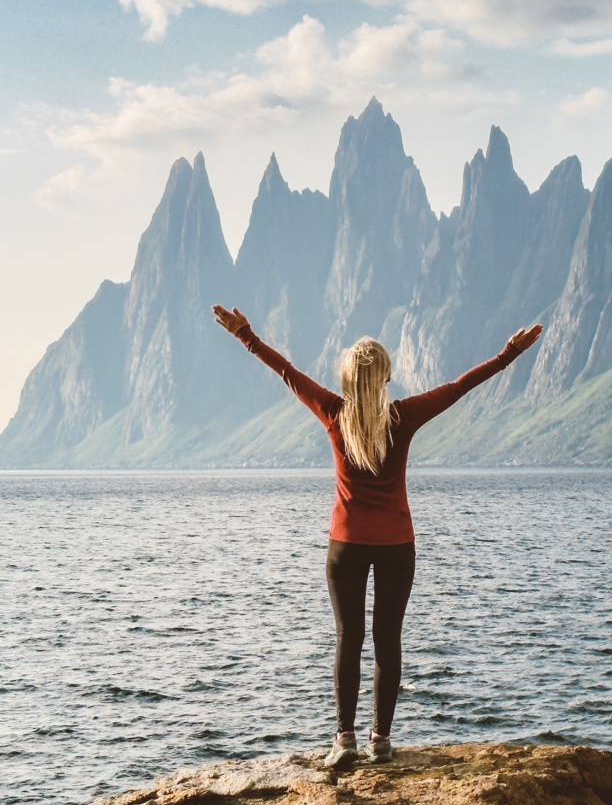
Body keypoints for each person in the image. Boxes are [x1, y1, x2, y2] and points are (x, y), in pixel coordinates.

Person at [212, 303, 543, 769]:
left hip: (345, 545)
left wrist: (245, 334)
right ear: (385, 378)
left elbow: (286, 372)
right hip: (395, 546)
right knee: (388, 641)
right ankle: (381, 741)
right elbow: (460, 387)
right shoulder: (403, 417)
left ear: (347, 379)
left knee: (348, 637)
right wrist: (509, 353)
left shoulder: (332, 410)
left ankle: (344, 738)